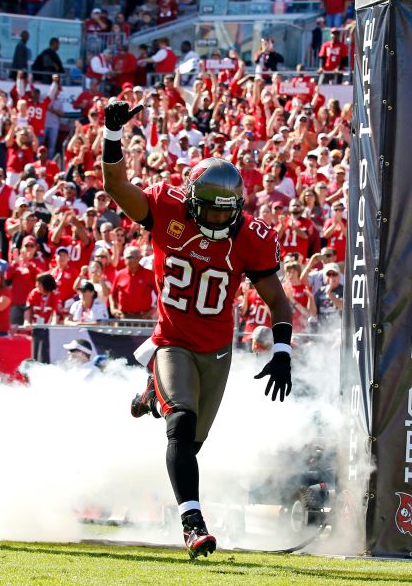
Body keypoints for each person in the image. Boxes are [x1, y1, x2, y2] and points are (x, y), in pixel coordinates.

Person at [100, 96, 294, 560]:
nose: (217, 220)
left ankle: (152, 393)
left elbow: (277, 298)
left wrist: (283, 350)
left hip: (217, 351)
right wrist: (111, 138)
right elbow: (117, 188)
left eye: (226, 212)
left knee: (193, 444)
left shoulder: (251, 236)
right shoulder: (166, 208)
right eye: (209, 210)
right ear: (190, 202)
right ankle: (192, 525)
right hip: (172, 341)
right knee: (181, 427)